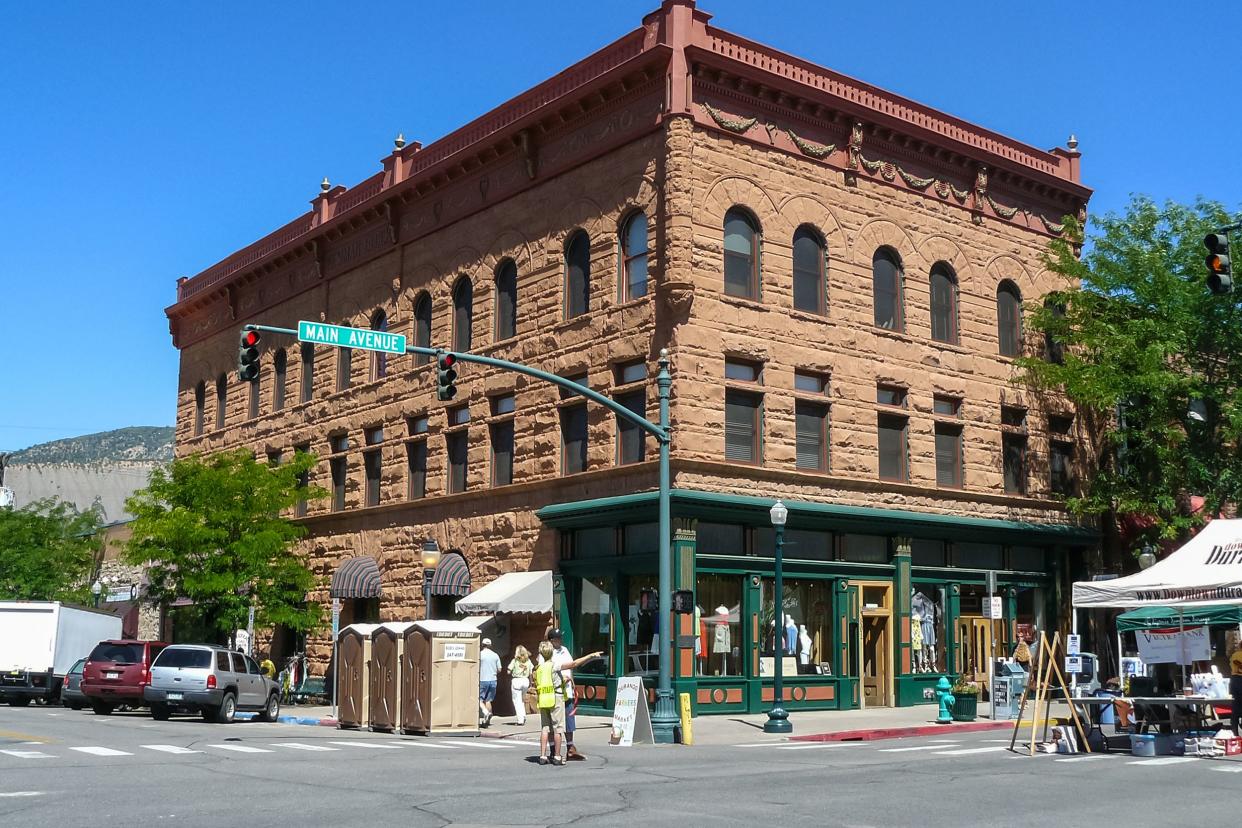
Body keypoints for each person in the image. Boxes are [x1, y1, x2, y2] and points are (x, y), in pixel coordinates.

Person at [541, 629, 603, 761]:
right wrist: (591, 656)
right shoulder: (546, 654)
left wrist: (572, 680)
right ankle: (554, 751)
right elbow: (548, 671)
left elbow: (570, 667)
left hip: (566, 691)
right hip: (554, 694)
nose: (560, 640)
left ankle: (570, 748)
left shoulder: (564, 650)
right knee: (554, 725)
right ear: (552, 640)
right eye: (558, 638)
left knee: (569, 721)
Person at [534, 640, 566, 765]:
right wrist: (590, 656)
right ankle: (557, 756)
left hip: (543, 698)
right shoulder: (554, 666)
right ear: (552, 652)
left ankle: (542, 755)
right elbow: (573, 664)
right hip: (555, 698)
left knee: (545, 728)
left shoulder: (539, 668)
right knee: (558, 728)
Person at [507, 645, 533, 727]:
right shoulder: (528, 661)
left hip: (517, 680)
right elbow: (531, 672)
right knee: (522, 699)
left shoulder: (515, 661)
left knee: (517, 701)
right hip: (525, 681)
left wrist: (511, 671)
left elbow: (508, 671)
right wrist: (531, 682)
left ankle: (520, 720)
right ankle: (523, 715)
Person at [479, 637, 501, 727]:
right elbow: (499, 669)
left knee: (479, 699)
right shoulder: (495, 655)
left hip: (482, 679)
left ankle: (486, 712)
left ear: (482, 645)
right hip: (493, 680)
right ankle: (487, 720)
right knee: (488, 700)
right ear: (490, 645)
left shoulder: (480, 655)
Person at [1230, 647, 1242, 737]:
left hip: (1235, 680)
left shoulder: (1235, 655)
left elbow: (1233, 663)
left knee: (1236, 707)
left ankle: (1235, 732)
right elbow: (1236, 662)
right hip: (1239, 679)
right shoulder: (1237, 654)